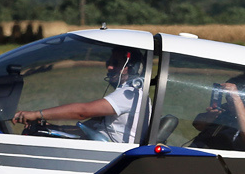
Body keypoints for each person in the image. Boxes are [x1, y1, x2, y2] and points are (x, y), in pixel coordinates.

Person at [12, 47, 147, 142]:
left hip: (111, 158)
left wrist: (36, 114)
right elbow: (87, 129)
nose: (109, 67)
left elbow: (82, 112)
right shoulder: (126, 93)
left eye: (116, 64)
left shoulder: (130, 94)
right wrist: (50, 127)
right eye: (108, 63)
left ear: (133, 67)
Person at [189, 72, 245, 152]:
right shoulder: (226, 109)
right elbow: (197, 125)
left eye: (231, 96)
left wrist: (236, 98)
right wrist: (209, 117)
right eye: (228, 96)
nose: (228, 99)